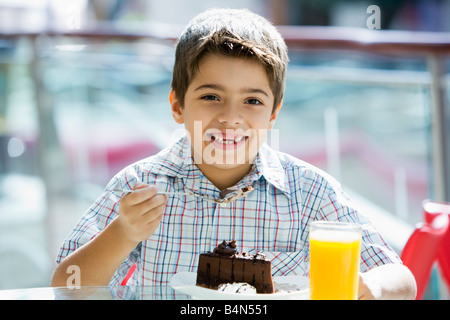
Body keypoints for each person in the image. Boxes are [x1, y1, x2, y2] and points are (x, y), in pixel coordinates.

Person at [51, 8, 416, 300]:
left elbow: (401, 278)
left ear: (273, 113)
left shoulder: (310, 193)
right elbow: (66, 286)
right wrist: (123, 232)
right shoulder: (139, 186)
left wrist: (376, 287)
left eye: (252, 101)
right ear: (177, 106)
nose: (230, 118)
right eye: (211, 96)